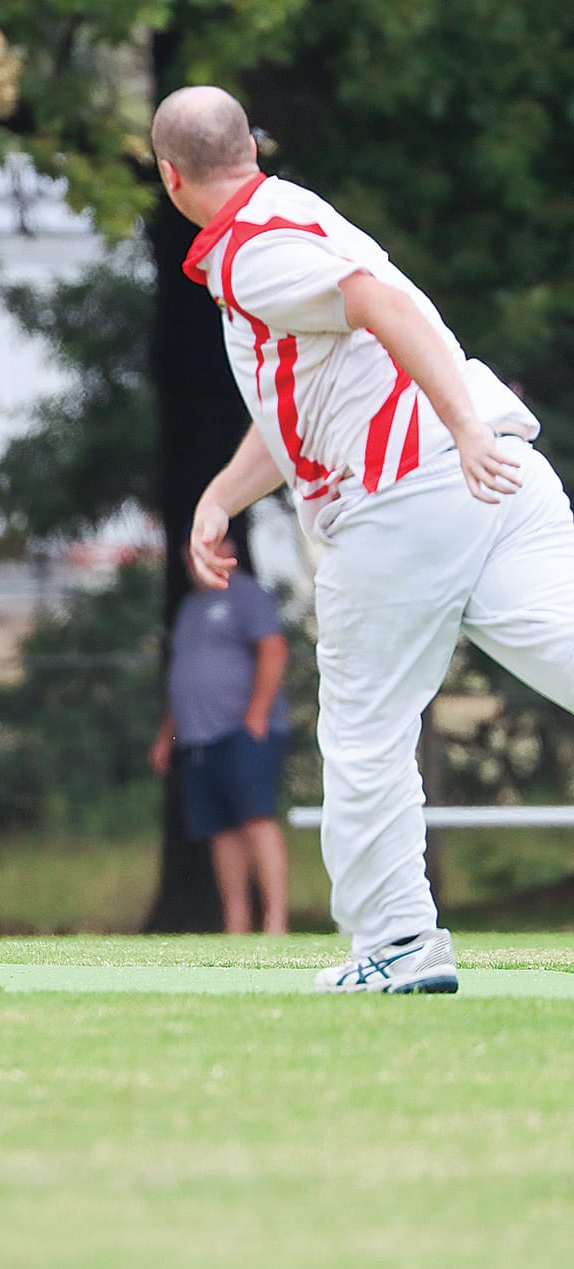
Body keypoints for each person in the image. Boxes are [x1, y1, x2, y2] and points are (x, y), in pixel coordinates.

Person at [154, 85, 574, 993]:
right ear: (250, 151)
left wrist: (457, 427)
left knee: (364, 730)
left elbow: (380, 304)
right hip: (502, 472)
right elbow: (301, 402)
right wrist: (222, 496)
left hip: (417, 487)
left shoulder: (248, 251)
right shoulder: (297, 212)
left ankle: (395, 943)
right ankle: (393, 939)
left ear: (169, 174)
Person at [149, 538, 292, 934]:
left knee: (256, 820)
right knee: (221, 831)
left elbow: (274, 649)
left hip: (242, 731)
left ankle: (276, 920)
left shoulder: (246, 595)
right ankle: (236, 922)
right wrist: (167, 736)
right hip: (198, 738)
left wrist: (257, 716)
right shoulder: (190, 607)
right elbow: (185, 674)